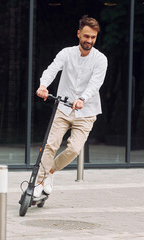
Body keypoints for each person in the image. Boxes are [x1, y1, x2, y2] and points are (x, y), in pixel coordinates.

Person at [34, 15, 108, 197]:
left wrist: (82, 98)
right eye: (86, 36)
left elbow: (95, 83)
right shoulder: (66, 53)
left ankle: (50, 172)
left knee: (74, 149)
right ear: (79, 34)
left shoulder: (101, 59)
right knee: (50, 145)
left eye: (93, 37)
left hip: (86, 112)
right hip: (64, 108)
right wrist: (43, 85)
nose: (89, 41)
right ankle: (39, 182)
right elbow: (52, 69)